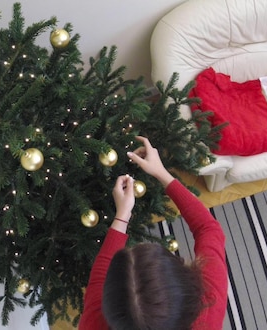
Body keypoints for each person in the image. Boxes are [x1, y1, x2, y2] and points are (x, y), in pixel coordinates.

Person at [78, 136, 228, 330]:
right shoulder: (208, 308)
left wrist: (123, 214)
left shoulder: (93, 324)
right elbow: (208, 228)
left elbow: (99, 275)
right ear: (187, 282)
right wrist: (162, 174)